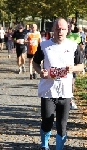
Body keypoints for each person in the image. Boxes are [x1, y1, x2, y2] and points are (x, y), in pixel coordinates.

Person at [33, 18, 84, 150]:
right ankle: (44, 145)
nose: (60, 31)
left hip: (65, 92)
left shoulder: (73, 46)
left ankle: (59, 148)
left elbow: (81, 65)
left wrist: (73, 68)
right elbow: (35, 63)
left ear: (68, 30)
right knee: (47, 122)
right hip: (48, 91)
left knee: (62, 125)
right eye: (57, 29)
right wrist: (40, 72)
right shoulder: (44, 45)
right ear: (53, 30)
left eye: (63, 29)